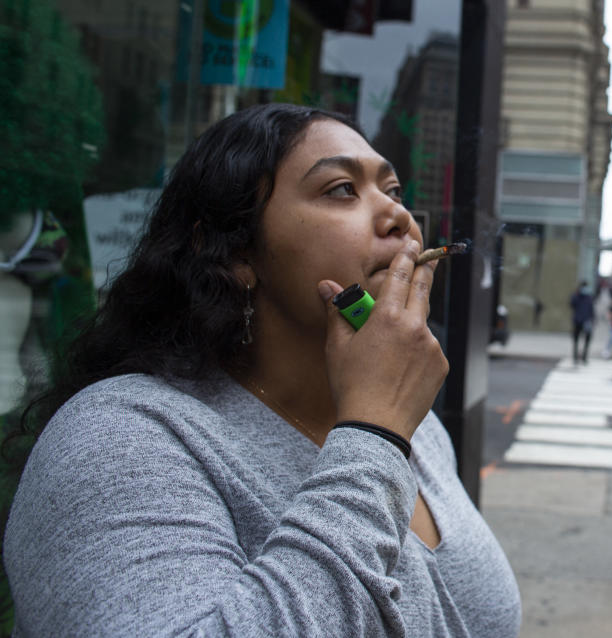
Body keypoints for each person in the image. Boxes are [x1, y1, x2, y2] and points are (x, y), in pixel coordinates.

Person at [2, 104, 522, 636]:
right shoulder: (117, 441)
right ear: (235, 253)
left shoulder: (418, 428)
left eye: (393, 192)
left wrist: (384, 428)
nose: (399, 218)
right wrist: (373, 436)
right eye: (342, 189)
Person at [570, 280, 595, 364]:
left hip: (586, 321)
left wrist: (592, 319)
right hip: (578, 321)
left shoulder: (589, 297)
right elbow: (572, 304)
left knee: (587, 339)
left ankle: (584, 356)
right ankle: (575, 356)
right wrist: (577, 294)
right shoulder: (576, 296)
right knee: (576, 340)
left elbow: (591, 309)